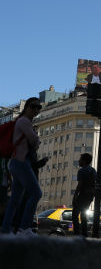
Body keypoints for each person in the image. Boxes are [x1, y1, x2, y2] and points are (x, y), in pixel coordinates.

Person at [1, 97, 43, 236]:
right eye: (33, 106)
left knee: (15, 199)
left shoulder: (23, 121)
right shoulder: (24, 121)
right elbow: (34, 140)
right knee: (36, 193)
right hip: (20, 162)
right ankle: (24, 228)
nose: (36, 110)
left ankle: (6, 229)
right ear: (26, 107)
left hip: (15, 162)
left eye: (39, 107)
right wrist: (35, 138)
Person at [72, 153, 96, 237]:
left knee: (75, 215)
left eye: (80, 159)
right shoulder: (93, 170)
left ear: (84, 161)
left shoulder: (81, 171)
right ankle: (84, 235)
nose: (79, 161)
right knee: (83, 215)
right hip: (90, 196)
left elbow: (80, 184)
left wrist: (75, 195)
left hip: (82, 195)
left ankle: (76, 234)